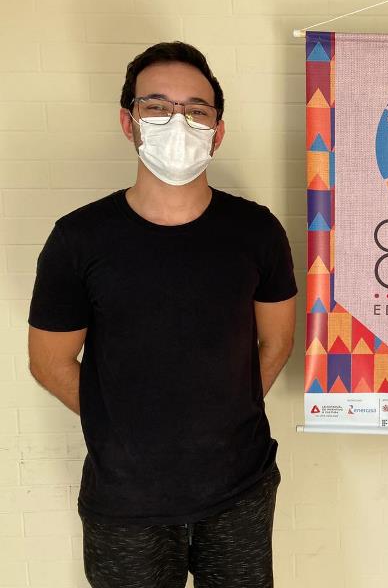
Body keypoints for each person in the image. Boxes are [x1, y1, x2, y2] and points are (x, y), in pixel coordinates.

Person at [27, 42, 296, 587]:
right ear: (128, 122)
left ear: (218, 131)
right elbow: (49, 361)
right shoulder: (79, 239)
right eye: (156, 107)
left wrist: (225, 410)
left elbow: (277, 342)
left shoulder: (257, 232)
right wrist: (125, 425)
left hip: (239, 489)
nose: (179, 122)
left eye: (197, 111)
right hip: (126, 500)